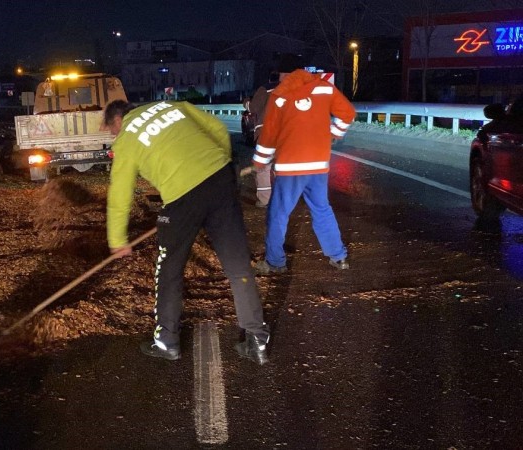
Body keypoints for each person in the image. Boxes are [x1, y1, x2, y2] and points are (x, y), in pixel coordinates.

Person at [104, 99, 271, 365]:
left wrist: (117, 240)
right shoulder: (172, 105)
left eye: (112, 130)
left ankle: (167, 342)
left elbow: (120, 192)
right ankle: (257, 340)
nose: (114, 135)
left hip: (182, 199)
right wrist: (223, 164)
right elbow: (216, 128)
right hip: (220, 180)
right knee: (238, 266)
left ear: (116, 121)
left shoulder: (126, 138)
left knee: (168, 271)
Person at [253, 69, 355, 274]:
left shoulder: (279, 95)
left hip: (290, 167)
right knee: (321, 208)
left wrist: (260, 160)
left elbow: (269, 134)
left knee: (278, 214)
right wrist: (333, 133)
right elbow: (348, 113)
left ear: (283, 75)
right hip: (318, 164)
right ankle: (338, 257)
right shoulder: (324, 88)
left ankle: (275, 262)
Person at [248, 71, 281, 208]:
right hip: (285, 133)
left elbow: (254, 108)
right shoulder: (290, 89)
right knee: (282, 167)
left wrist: (246, 102)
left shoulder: (264, 89)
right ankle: (283, 198)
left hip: (266, 133)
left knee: (263, 167)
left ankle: (264, 200)